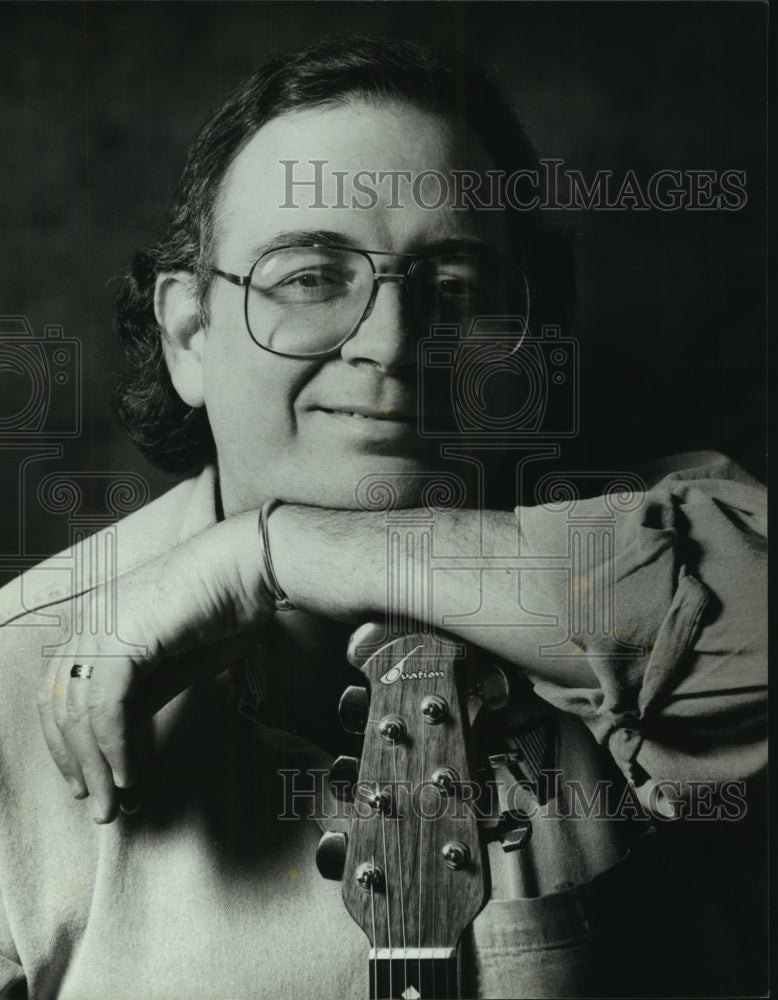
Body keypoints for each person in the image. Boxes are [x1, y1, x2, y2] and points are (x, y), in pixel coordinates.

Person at [0, 35, 766, 1000]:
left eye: (457, 288)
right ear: (190, 333)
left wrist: (273, 554)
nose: (395, 346)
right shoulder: (16, 677)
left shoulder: (657, 551)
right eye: (310, 277)